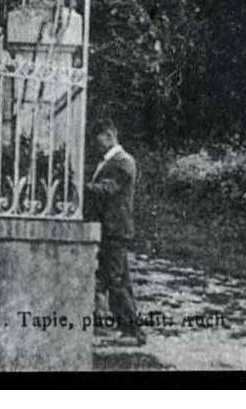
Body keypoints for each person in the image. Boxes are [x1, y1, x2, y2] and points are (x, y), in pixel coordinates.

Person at [88, 117, 145, 345]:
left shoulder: (123, 162)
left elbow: (109, 188)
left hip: (116, 230)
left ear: (110, 135)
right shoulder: (110, 161)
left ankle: (130, 331)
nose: (96, 145)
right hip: (110, 229)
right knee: (119, 280)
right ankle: (130, 330)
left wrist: (82, 187)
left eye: (98, 140)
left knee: (113, 280)